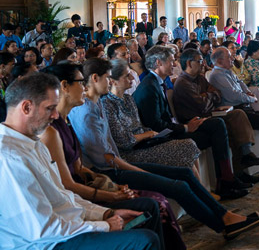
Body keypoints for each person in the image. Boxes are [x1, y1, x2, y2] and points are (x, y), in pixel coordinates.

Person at [0, 73, 162, 250]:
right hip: (46, 244)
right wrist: (106, 225)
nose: (55, 115)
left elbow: (63, 198)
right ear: (26, 107)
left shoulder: (33, 143)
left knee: (147, 208)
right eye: (50, 108)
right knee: (145, 240)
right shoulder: (9, 158)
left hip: (63, 228)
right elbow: (43, 229)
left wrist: (106, 213)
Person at [40, 63, 182, 250]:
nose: (84, 88)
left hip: (93, 184)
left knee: (161, 196)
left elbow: (80, 169)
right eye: (80, 82)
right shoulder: (52, 131)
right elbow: (69, 185)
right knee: (153, 204)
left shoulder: (67, 121)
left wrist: (114, 188)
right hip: (78, 199)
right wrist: (112, 196)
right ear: (64, 86)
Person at [130, 47, 251, 199]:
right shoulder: (149, 87)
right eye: (171, 61)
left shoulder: (156, 83)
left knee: (217, 125)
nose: (174, 65)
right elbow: (155, 125)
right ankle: (226, 182)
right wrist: (186, 127)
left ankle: (227, 179)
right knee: (216, 130)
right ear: (158, 63)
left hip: (173, 128)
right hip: (161, 138)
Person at [173, 50, 259, 180]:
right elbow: (202, 105)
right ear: (189, 63)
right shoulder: (183, 82)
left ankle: (246, 157)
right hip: (196, 121)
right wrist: (209, 96)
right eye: (200, 61)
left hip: (209, 114)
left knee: (237, 114)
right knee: (227, 127)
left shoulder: (199, 78)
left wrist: (207, 95)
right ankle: (231, 176)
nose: (203, 63)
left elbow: (217, 93)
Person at [101, 59, 201, 171]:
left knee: (189, 145)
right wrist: (146, 134)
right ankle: (199, 187)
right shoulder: (107, 104)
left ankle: (199, 186)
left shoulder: (128, 99)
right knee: (186, 147)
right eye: (127, 76)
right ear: (113, 81)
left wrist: (154, 134)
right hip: (130, 152)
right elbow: (123, 141)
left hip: (144, 144)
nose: (132, 78)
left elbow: (139, 126)